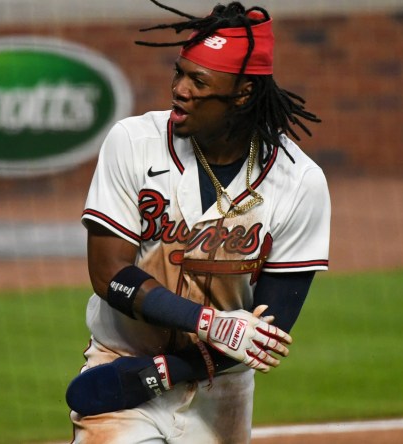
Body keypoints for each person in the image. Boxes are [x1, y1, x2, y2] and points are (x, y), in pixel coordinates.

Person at [66, 1, 331, 442]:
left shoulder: (299, 182)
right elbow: (109, 272)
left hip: (219, 391)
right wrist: (212, 323)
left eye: (199, 81)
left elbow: (269, 330)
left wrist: (164, 371)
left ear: (243, 92)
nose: (180, 90)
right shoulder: (134, 143)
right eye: (180, 73)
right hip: (120, 365)